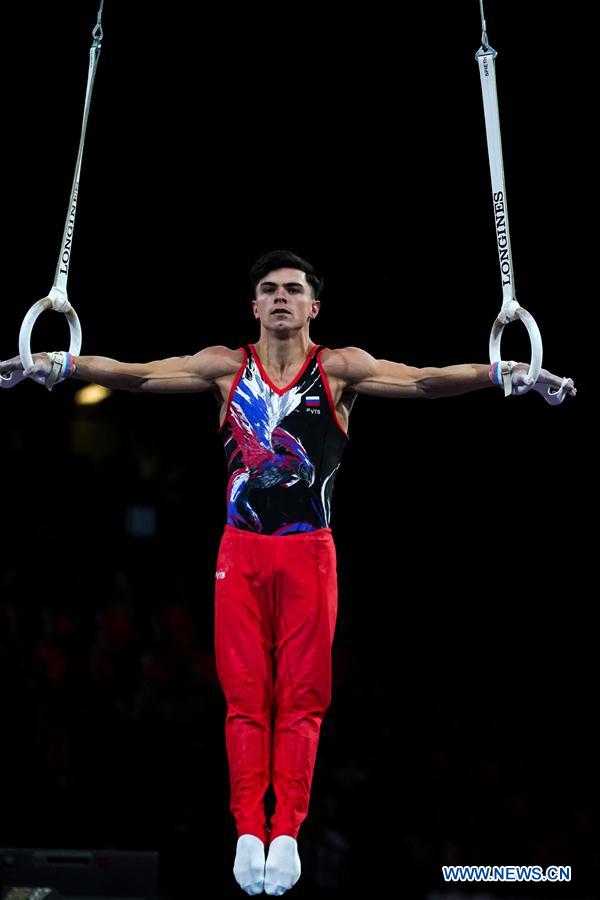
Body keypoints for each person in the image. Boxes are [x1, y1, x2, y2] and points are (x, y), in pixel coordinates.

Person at [0, 249, 577, 895]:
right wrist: (59, 363)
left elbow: (423, 380)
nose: (280, 297)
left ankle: (288, 833)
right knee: (246, 699)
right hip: (240, 553)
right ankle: (250, 830)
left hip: (310, 555)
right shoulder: (225, 368)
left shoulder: (339, 369)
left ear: (313, 306)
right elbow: (135, 375)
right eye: (269, 289)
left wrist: (508, 373)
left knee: (303, 699)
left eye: (293, 290)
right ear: (254, 305)